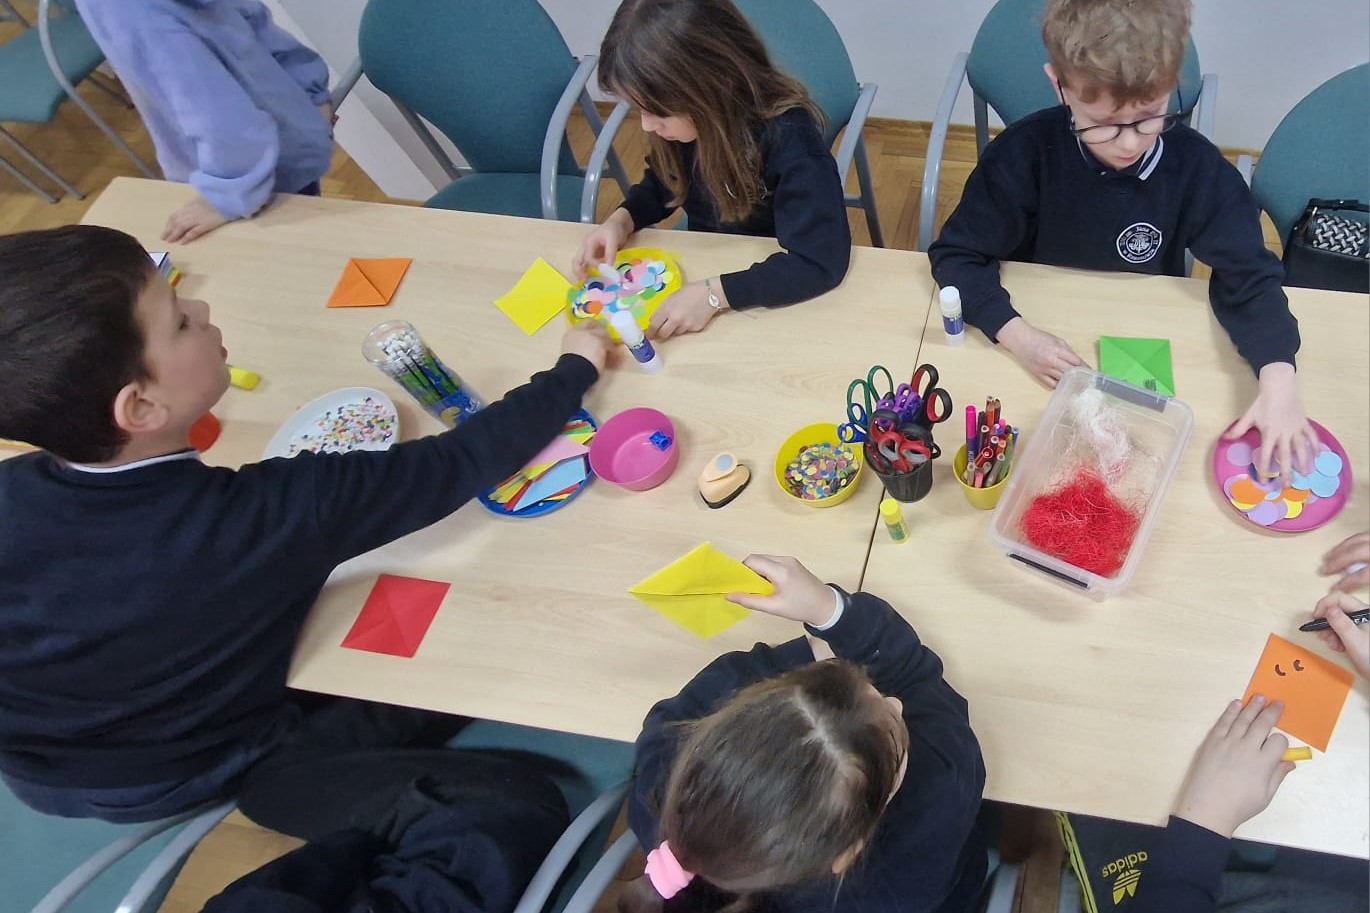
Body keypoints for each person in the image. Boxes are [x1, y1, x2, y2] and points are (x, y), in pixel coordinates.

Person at [0, 225, 612, 840]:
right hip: (195, 760)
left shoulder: (14, 487)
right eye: (179, 322)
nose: (201, 308)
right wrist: (573, 368)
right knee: (479, 643)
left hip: (47, 768)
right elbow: (454, 463)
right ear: (139, 408)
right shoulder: (261, 516)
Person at [928, 0, 1315, 481]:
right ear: (1060, 85)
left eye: (1150, 116)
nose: (1130, 143)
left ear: (1170, 84)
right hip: (1036, 332)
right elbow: (958, 255)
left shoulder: (1196, 170)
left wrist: (1278, 378)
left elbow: (1250, 277)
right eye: (1105, 123)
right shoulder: (1021, 156)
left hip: (1143, 330)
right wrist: (1017, 335)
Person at [619, 555, 986, 913]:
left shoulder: (663, 799)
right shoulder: (942, 790)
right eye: (894, 741)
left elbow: (666, 725)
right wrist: (831, 612)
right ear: (847, 855)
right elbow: (916, 677)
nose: (896, 703)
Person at [573, 0, 851, 340]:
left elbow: (820, 261)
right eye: (640, 109)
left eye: (657, 111)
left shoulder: (792, 141)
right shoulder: (688, 123)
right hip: (715, 265)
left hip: (772, 288)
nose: (646, 125)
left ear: (711, 85)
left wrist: (713, 295)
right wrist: (622, 220)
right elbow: (665, 180)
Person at [73, 0, 336, 244]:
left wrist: (225, 197)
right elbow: (258, 24)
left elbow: (222, 121)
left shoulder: (125, 11)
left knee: (302, 256)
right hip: (289, 140)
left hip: (259, 180)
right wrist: (311, 95)